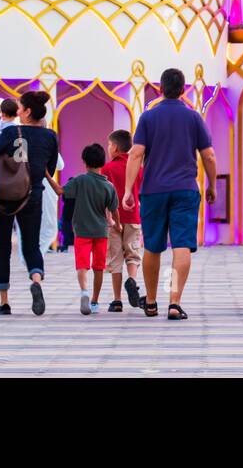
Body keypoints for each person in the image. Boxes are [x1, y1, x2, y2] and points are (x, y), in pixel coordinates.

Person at [123, 68, 216, 320]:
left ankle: (151, 302)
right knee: (181, 245)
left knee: (152, 246)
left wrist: (128, 189)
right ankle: (174, 302)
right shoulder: (194, 118)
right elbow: (208, 155)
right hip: (185, 190)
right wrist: (212, 185)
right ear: (184, 89)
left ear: (160, 89)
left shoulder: (148, 118)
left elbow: (136, 154)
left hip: (153, 191)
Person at [0, 90, 59, 316]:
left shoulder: (11, 132)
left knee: (2, 246)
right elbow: (49, 170)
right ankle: (37, 281)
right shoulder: (50, 136)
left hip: (5, 196)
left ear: (28, 112)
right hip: (33, 195)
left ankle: (4, 301)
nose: (17, 111)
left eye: (20, 107)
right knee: (31, 244)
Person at [63, 143, 121, 315]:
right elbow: (114, 210)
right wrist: (117, 224)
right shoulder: (108, 186)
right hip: (101, 232)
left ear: (85, 163)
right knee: (98, 267)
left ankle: (84, 291)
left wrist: (47, 176)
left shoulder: (79, 181)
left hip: (81, 231)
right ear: (102, 163)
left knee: (82, 264)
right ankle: (95, 301)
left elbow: (61, 191)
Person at [102, 128, 142, 310]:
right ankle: (132, 280)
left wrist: (106, 217)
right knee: (133, 253)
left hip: (113, 218)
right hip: (133, 216)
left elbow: (104, 194)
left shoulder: (108, 168)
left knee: (115, 258)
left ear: (115, 147)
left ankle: (117, 300)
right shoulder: (138, 168)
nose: (108, 147)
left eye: (109, 144)